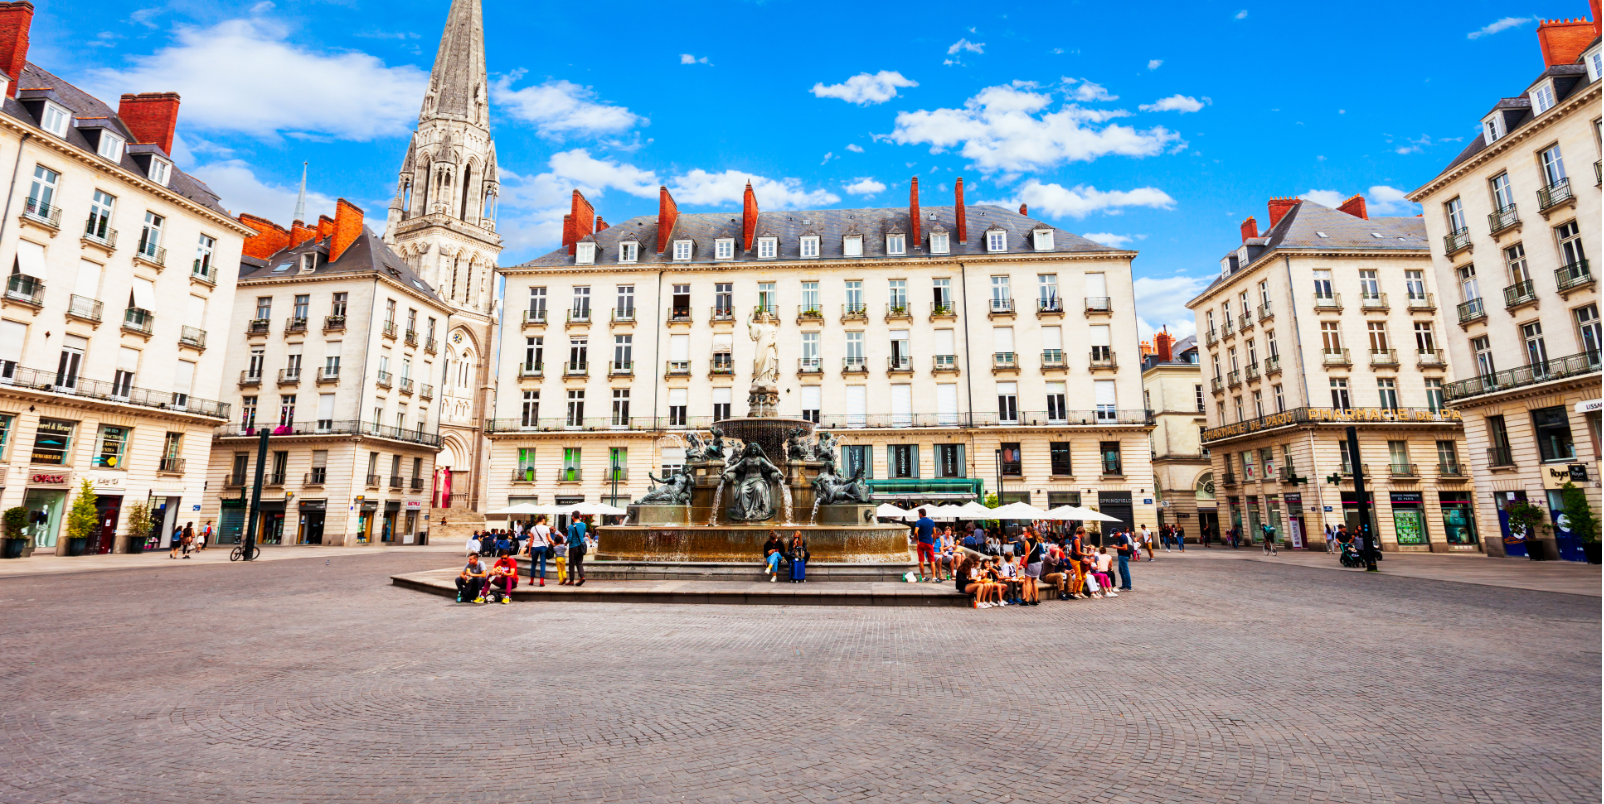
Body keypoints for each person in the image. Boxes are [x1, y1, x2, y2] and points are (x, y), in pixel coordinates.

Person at [912, 508, 938, 582]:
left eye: (918, 514)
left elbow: (916, 532)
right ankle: (934, 577)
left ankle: (923, 577)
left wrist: (917, 540)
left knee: (921, 560)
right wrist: (933, 542)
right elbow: (935, 533)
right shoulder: (931, 522)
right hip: (929, 542)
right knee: (932, 560)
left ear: (920, 514)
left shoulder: (919, 522)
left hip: (921, 543)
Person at [526, 515, 553, 586]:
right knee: (542, 564)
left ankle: (531, 581)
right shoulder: (546, 528)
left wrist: (529, 551)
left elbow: (531, 541)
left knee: (533, 564)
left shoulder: (533, 528)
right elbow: (549, 539)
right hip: (543, 547)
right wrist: (554, 544)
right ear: (543, 520)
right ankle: (541, 581)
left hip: (535, 547)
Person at [1020, 533, 1044, 606]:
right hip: (1038, 563)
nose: (1024, 533)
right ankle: (1035, 600)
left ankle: (1026, 600)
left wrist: (1023, 564)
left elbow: (1027, 554)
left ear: (1029, 533)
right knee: (1034, 582)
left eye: (1025, 531)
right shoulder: (1036, 540)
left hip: (1031, 563)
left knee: (1027, 582)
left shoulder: (1028, 541)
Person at [564, 512, 587, 586]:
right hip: (581, 546)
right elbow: (583, 535)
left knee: (571, 564)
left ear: (573, 517)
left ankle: (571, 580)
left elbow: (569, 538)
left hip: (573, 547)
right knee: (579, 562)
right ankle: (582, 576)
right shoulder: (583, 525)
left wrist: (566, 542)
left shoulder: (571, 526)